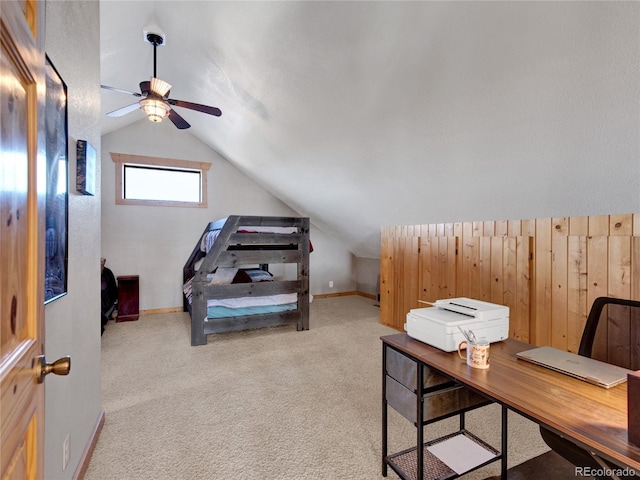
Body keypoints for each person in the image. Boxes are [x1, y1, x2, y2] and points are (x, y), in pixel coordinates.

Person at [101, 257, 118, 335]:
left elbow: (112, 285)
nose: (101, 264)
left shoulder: (108, 272)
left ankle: (105, 317)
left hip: (106, 293)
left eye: (102, 262)